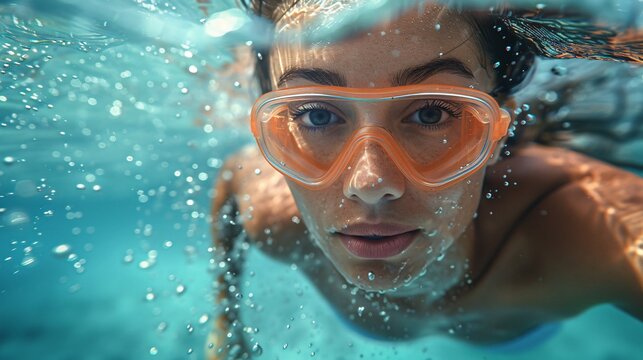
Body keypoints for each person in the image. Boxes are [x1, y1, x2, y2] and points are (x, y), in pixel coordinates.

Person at [206, 1, 643, 358]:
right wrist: (226, 323)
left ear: (498, 130)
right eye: (316, 115)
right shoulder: (273, 216)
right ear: (275, 129)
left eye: (431, 113)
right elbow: (230, 185)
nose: (371, 183)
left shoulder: (589, 228)